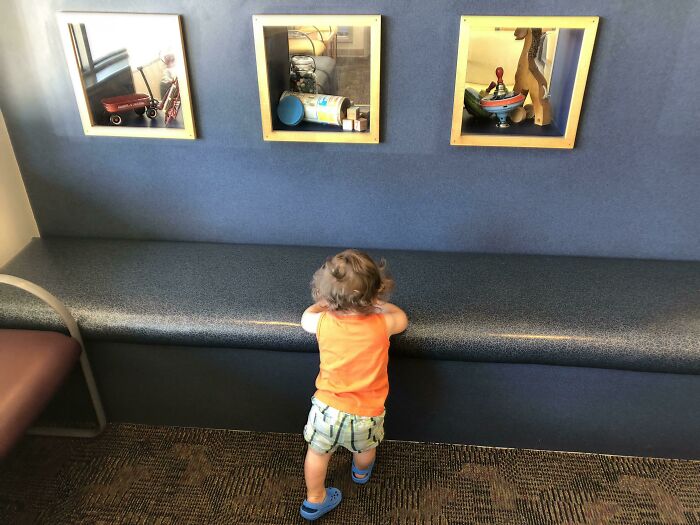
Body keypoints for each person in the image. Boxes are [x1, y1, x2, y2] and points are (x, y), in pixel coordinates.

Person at [298, 249, 409, 521]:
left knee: (317, 453)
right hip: (365, 414)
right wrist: (379, 305)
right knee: (365, 450)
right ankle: (360, 473)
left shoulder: (321, 321)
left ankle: (314, 499)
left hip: (326, 409)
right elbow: (402, 318)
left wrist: (324, 305)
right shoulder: (383, 322)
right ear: (375, 293)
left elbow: (305, 317)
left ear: (324, 294)